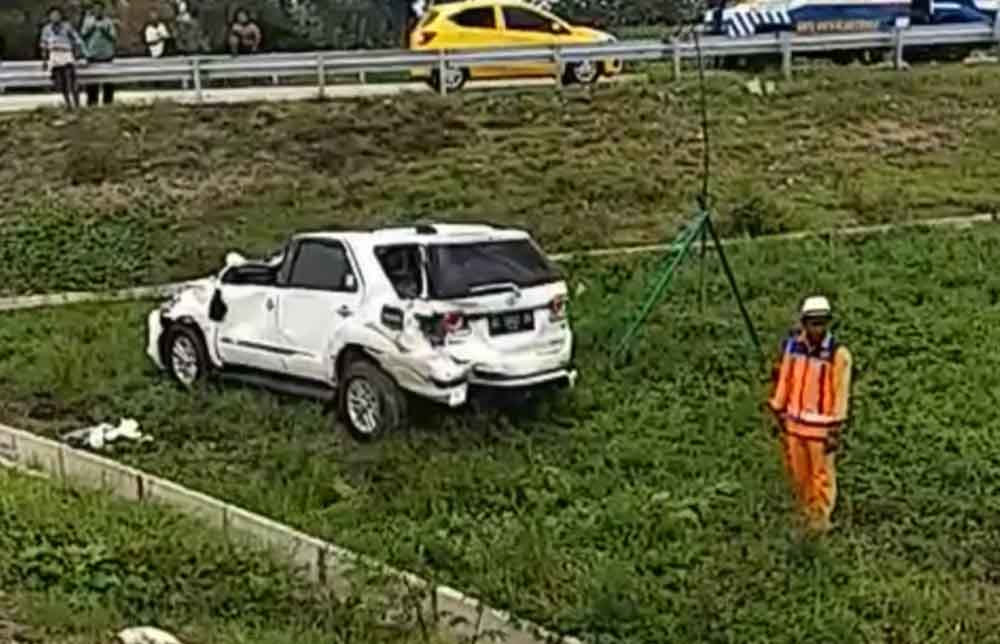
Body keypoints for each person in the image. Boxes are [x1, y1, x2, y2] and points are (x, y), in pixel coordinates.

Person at [767, 295, 853, 534]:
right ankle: (804, 516)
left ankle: (820, 521)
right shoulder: (793, 347)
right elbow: (785, 380)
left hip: (821, 429)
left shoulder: (838, 354)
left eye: (822, 323)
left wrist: (836, 427)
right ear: (804, 323)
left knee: (821, 476)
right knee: (799, 475)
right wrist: (777, 410)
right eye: (813, 323)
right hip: (794, 425)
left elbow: (841, 392)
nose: (818, 328)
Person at [40, 7, 84, 111]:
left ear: (61, 16)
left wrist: (77, 52)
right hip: (54, 56)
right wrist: (45, 60)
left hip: (66, 54)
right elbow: (44, 45)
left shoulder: (67, 27)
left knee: (71, 80)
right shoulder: (46, 29)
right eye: (52, 15)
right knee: (61, 82)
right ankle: (68, 104)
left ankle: (77, 104)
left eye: (57, 15)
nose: (55, 17)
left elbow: (77, 39)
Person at [80, 3, 117, 106]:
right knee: (92, 82)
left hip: (106, 55)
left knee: (108, 81)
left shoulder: (108, 22)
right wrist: (92, 29)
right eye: (95, 9)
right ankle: (92, 102)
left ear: (103, 10)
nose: (98, 11)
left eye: (100, 9)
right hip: (92, 55)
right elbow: (83, 36)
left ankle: (108, 102)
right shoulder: (87, 21)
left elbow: (113, 38)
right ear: (93, 10)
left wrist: (103, 30)